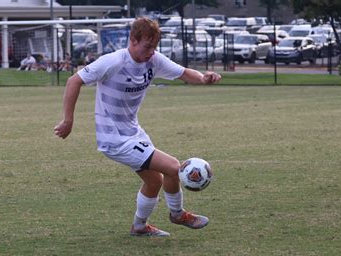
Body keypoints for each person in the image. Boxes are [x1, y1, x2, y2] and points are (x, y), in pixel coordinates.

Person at [54, 17, 221, 237]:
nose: (151, 52)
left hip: (134, 133)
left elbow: (183, 73)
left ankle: (139, 227)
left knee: (154, 181)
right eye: (147, 46)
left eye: (154, 47)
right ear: (133, 40)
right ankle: (177, 214)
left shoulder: (153, 60)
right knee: (173, 167)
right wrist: (68, 120)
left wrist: (203, 78)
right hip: (114, 138)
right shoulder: (113, 61)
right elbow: (73, 81)